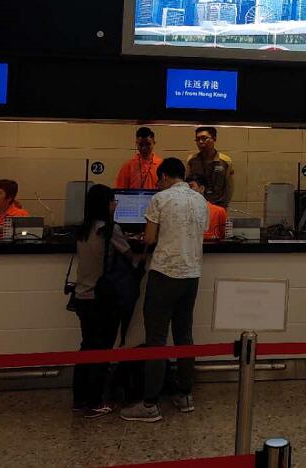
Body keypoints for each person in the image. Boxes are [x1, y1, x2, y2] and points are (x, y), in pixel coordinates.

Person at [121, 158, 207, 422]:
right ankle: (185, 395)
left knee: (156, 339)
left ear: (166, 176)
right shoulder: (200, 201)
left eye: (160, 179)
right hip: (191, 274)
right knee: (184, 335)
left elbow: (149, 238)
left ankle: (149, 403)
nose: (158, 183)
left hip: (164, 274)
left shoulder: (160, 199)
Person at [73, 184, 136, 418]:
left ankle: (79, 399)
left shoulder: (82, 229)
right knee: (102, 349)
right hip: (103, 298)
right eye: (113, 201)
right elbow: (129, 255)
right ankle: (95, 401)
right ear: (106, 205)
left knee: (87, 346)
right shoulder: (110, 230)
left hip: (82, 295)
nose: (115, 205)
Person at [185, 126, 234, 208]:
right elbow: (188, 184)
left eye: (204, 138)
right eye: (197, 139)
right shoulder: (192, 160)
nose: (200, 142)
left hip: (218, 205)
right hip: (197, 205)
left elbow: (229, 187)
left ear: (214, 139)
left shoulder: (225, 161)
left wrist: (223, 206)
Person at [189, 175, 227, 241]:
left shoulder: (219, 211)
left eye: (191, 186)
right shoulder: (183, 211)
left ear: (202, 188)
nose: (187, 190)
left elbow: (225, 237)